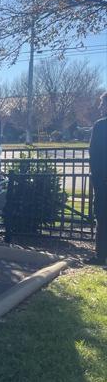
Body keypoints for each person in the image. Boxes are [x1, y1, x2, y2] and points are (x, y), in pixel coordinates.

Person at [86, 91, 107, 266]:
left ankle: (101, 256)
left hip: (104, 181)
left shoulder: (100, 126)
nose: (101, 107)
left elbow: (94, 154)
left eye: (102, 104)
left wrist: (97, 179)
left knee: (102, 218)